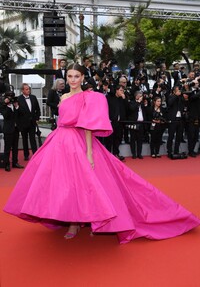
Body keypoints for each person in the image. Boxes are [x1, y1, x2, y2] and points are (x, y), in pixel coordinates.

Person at [4, 63, 200, 245]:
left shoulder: (90, 97)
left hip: (78, 141)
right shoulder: (62, 97)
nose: (73, 80)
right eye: (70, 76)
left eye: (76, 76)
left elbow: (88, 127)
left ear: (82, 77)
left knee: (87, 184)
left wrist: (89, 153)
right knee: (65, 184)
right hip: (58, 142)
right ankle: (72, 221)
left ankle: (91, 219)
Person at [0, 92, 24, 171]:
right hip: (8, 130)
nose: (11, 99)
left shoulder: (16, 104)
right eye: (10, 97)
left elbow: (21, 114)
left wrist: (17, 107)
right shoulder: (3, 106)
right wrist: (8, 105)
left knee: (15, 147)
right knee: (7, 148)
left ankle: (15, 162)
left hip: (16, 129)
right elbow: (6, 116)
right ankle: (6, 164)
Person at [17, 83, 41, 161]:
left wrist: (37, 118)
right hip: (23, 123)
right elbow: (18, 112)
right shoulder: (18, 99)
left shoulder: (33, 97)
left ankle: (35, 154)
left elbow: (38, 109)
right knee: (24, 139)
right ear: (22, 90)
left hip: (32, 122)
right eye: (26, 89)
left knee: (33, 139)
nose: (28, 90)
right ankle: (26, 155)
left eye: (29, 89)